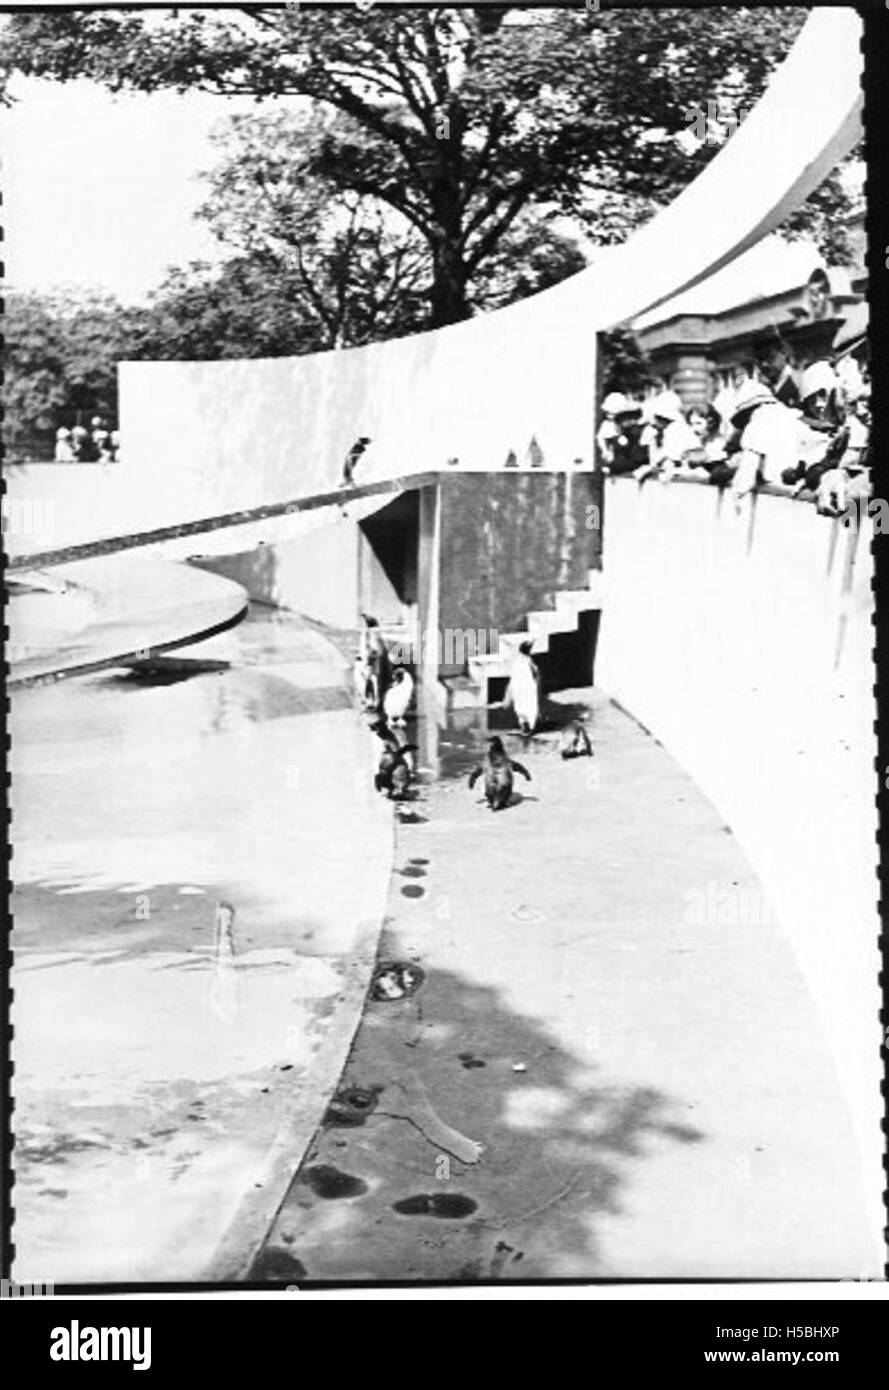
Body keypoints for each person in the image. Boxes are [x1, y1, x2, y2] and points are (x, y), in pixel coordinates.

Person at [724, 379, 803, 504]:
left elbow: (749, 466)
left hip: (775, 493)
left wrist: (737, 492)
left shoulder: (757, 422)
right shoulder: (794, 414)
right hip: (797, 486)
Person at [635, 390, 698, 482]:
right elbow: (644, 456)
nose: (660, 421)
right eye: (658, 417)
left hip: (680, 476)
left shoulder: (681, 431)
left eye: (665, 419)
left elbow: (686, 457)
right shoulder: (650, 431)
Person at [754, 328, 801, 408]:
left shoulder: (798, 382)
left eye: (769, 357)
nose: (764, 364)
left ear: (783, 353)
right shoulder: (764, 391)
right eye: (760, 360)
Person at [606, 398, 648, 476]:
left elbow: (637, 460)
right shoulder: (621, 438)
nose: (631, 421)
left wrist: (612, 467)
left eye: (633, 417)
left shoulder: (641, 434)